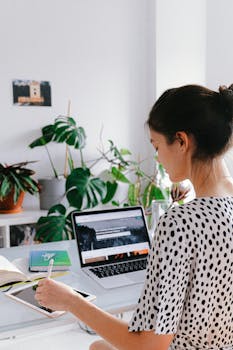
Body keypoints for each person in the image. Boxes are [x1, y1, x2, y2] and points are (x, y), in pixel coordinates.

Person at [35, 83, 233, 350]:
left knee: (96, 347)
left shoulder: (180, 222)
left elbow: (149, 346)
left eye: (157, 145)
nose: (158, 157)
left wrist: (71, 301)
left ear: (182, 141)